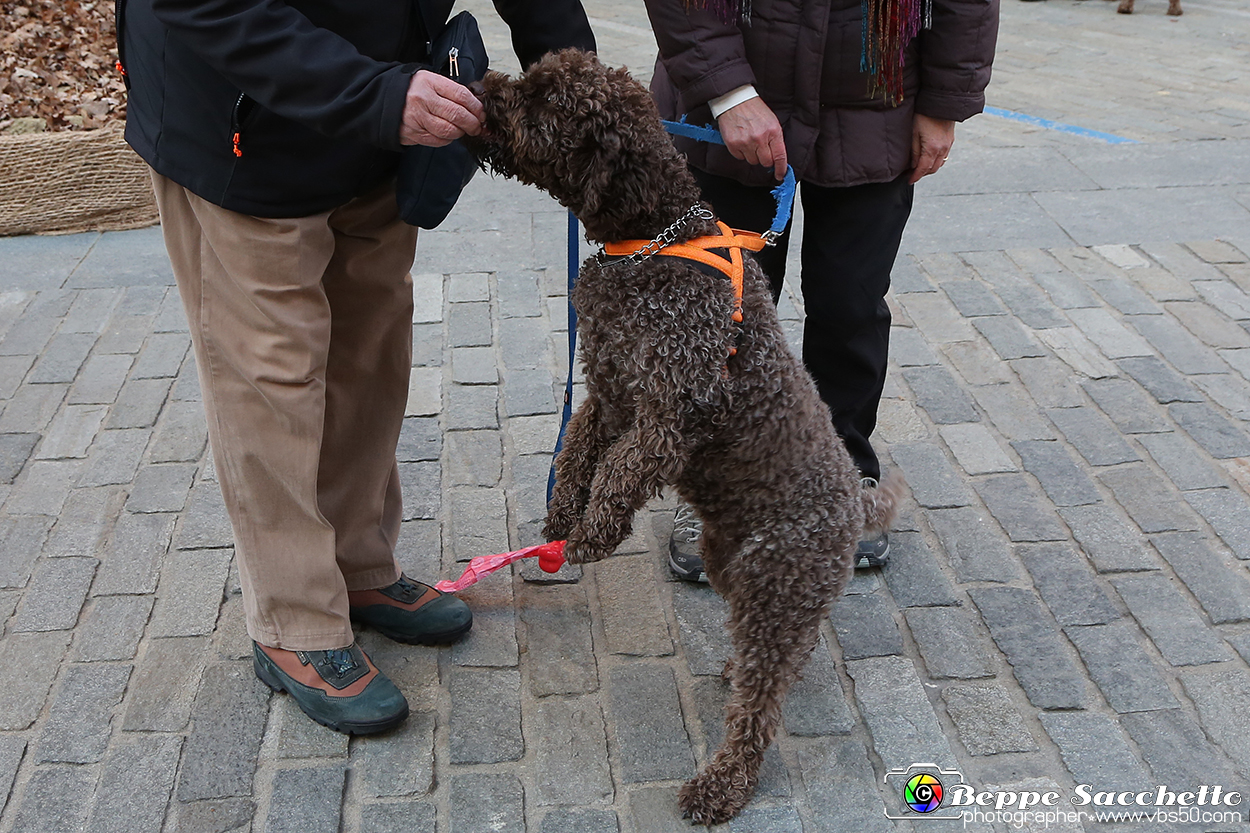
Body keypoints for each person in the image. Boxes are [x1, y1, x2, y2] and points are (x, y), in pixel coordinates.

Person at [118, 0, 594, 733]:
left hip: (383, 118)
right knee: (273, 378)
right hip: (243, 127)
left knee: (372, 348)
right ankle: (294, 619)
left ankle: (358, 565)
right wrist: (373, 94)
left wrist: (578, 86)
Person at [643, 0, 998, 580]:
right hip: (730, 100)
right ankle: (720, 483)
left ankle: (836, 471)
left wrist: (944, 103)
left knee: (850, 305)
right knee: (723, 313)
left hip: (875, 105)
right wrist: (727, 92)